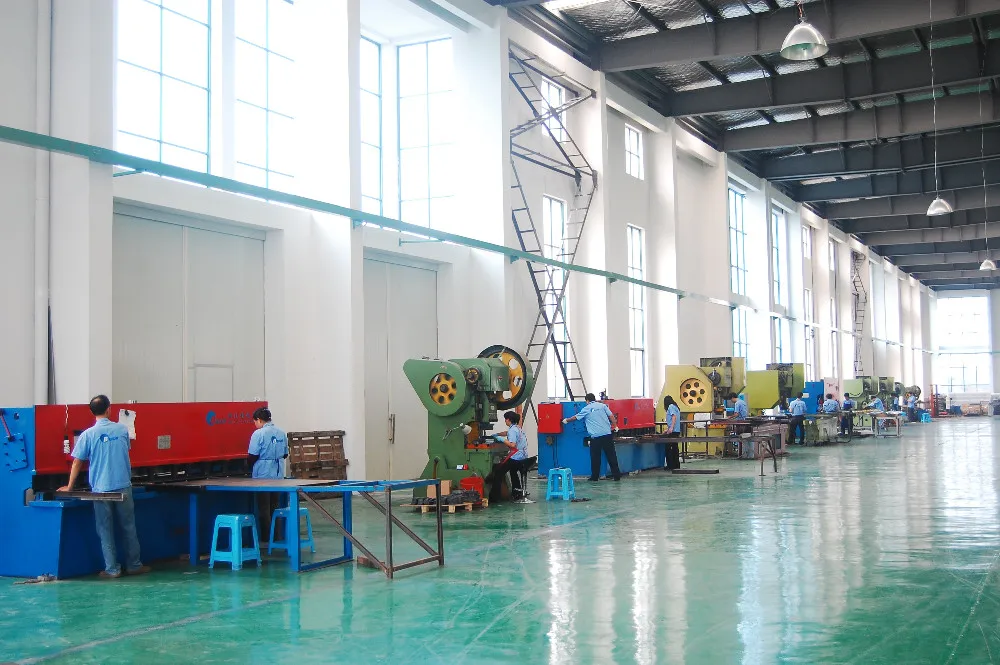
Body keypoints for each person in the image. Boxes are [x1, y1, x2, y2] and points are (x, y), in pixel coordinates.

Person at [58, 395, 150, 579]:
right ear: (109, 409)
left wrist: (69, 486)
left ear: (91, 412)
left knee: (105, 529)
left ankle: (112, 569)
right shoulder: (122, 429)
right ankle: (134, 565)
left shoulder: (87, 435)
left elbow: (77, 462)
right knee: (128, 526)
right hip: (123, 485)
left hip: (100, 489)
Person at [248, 407, 289, 537]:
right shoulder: (281, 433)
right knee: (275, 506)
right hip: (277, 474)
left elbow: (252, 456)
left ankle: (266, 537)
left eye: (255, 422)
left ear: (259, 420)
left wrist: (249, 466)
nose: (255, 424)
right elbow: (285, 454)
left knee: (264, 507)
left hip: (263, 475)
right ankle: (277, 536)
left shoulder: (258, 434)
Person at [563, 393, 620, 481]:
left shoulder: (586, 408)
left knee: (595, 458)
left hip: (595, 437)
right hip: (607, 435)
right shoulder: (603, 406)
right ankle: (616, 476)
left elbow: (576, 417)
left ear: (587, 401)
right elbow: (611, 415)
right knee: (611, 456)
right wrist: (615, 426)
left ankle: (595, 477)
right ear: (594, 399)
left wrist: (566, 420)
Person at [490, 411, 529, 502]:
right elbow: (507, 432)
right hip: (523, 457)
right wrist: (498, 434)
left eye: (505, 419)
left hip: (516, 457)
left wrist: (501, 439)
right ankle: (517, 493)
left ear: (509, 420)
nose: (505, 421)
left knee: (498, 472)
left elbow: (512, 445)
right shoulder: (517, 428)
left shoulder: (513, 430)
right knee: (513, 471)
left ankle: (494, 497)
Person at [663, 395, 681, 470]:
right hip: (676, 431)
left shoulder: (670, 406)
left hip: (673, 431)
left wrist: (671, 428)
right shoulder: (675, 407)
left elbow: (674, 417)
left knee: (668, 448)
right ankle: (676, 465)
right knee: (675, 448)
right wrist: (668, 429)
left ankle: (670, 465)